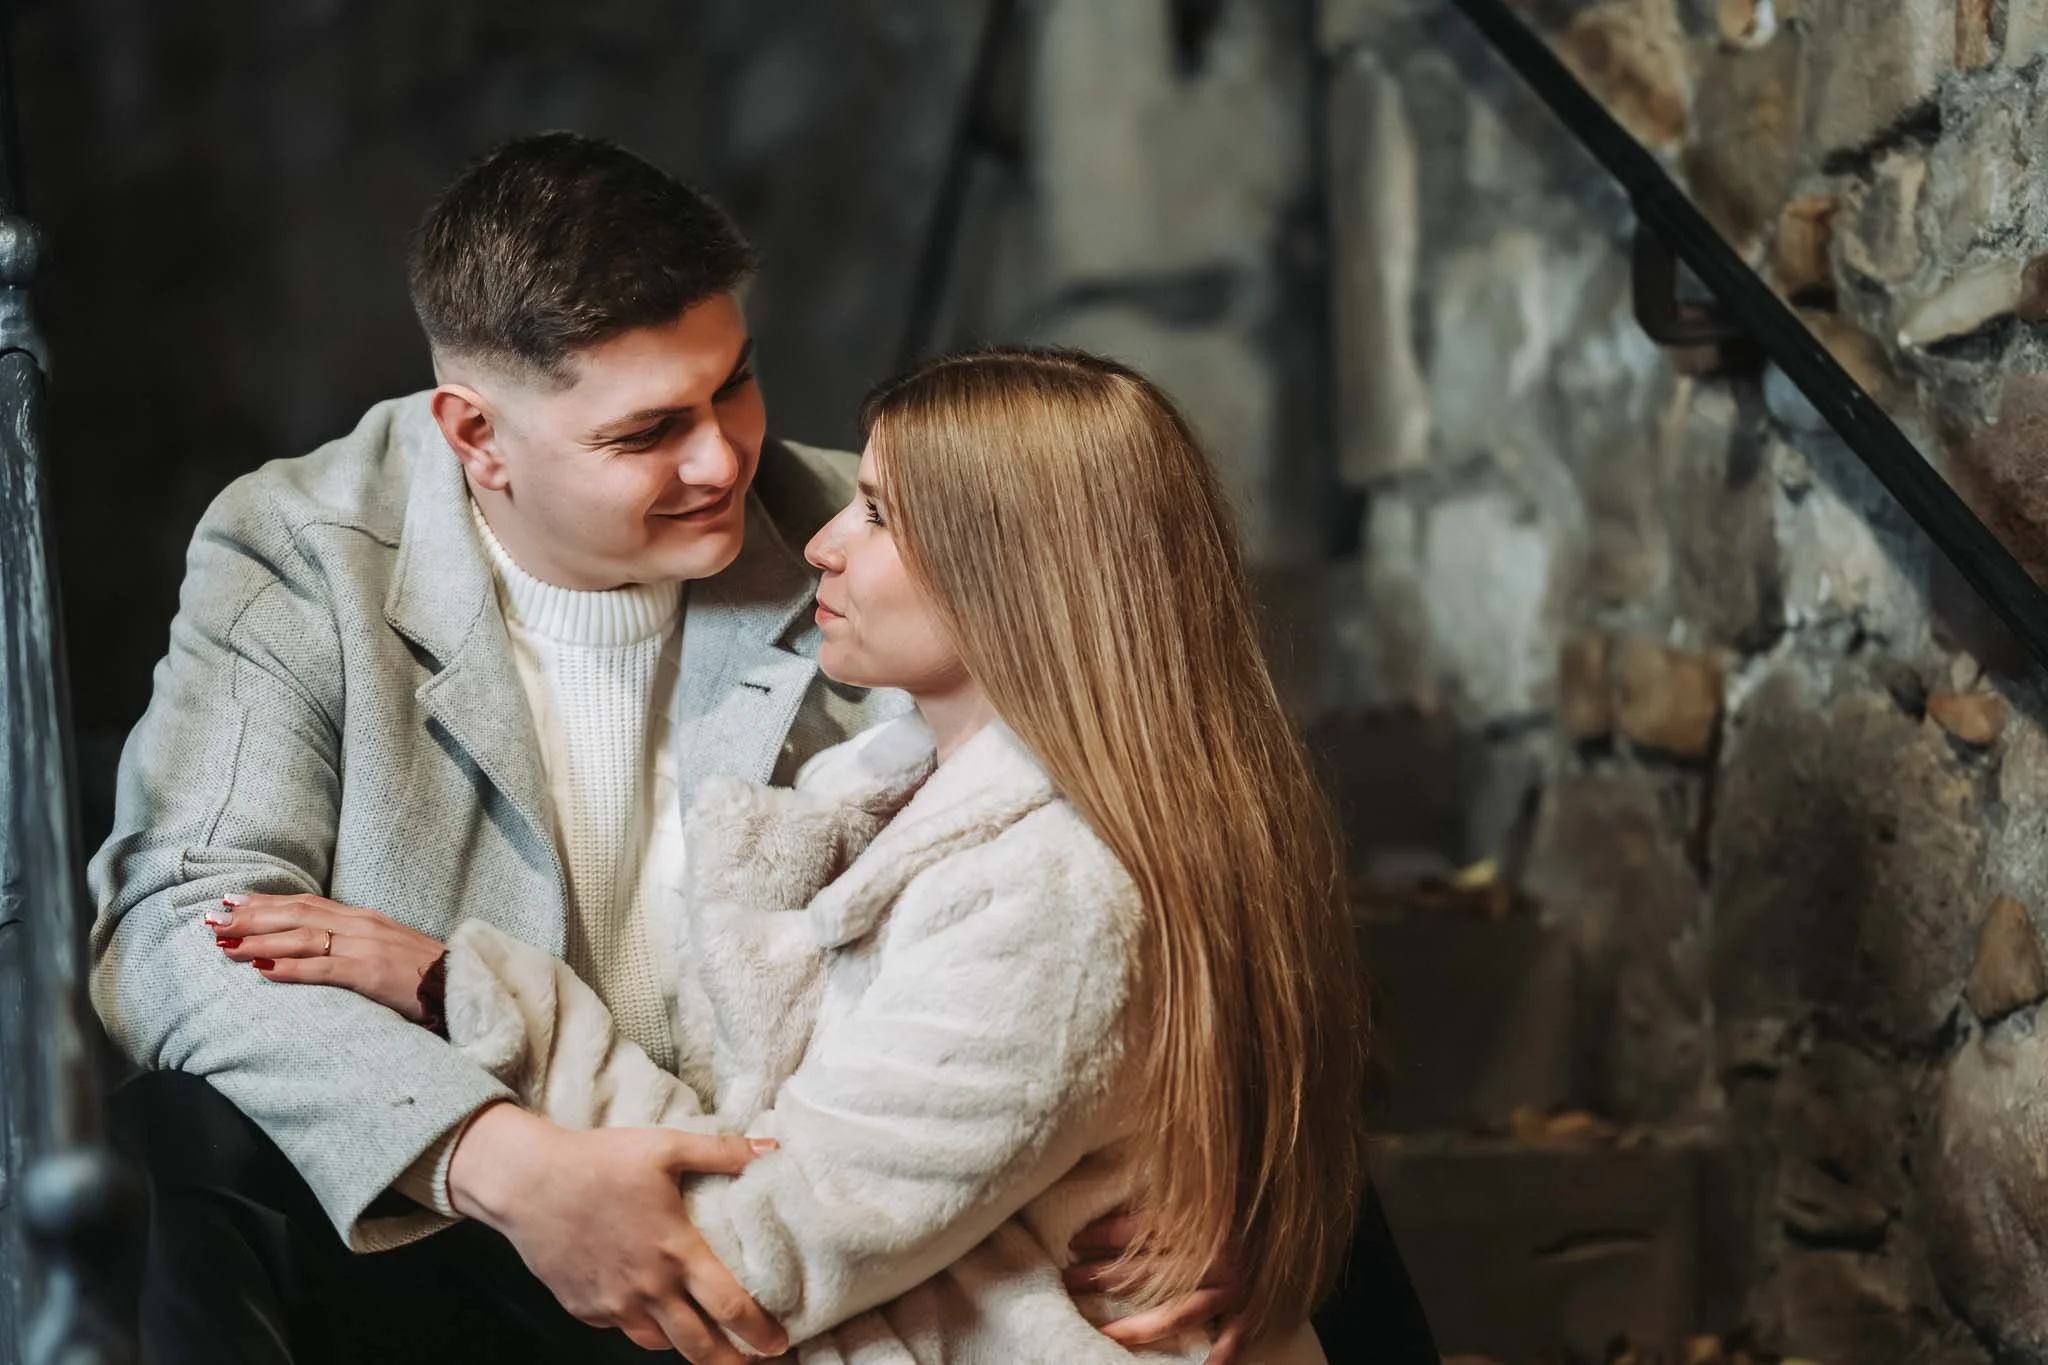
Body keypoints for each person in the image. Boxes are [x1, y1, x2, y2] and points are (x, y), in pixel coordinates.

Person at [89, 133, 1438, 1364]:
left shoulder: (872, 535)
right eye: (645, 433)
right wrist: (492, 1156)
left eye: (731, 386)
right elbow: (175, 930)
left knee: (1298, 1183)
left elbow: (1154, 818)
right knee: (201, 1131)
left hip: (806, 1185)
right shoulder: (305, 550)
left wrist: (1250, 1172)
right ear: (476, 438)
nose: (725, 462)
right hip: (490, 1210)